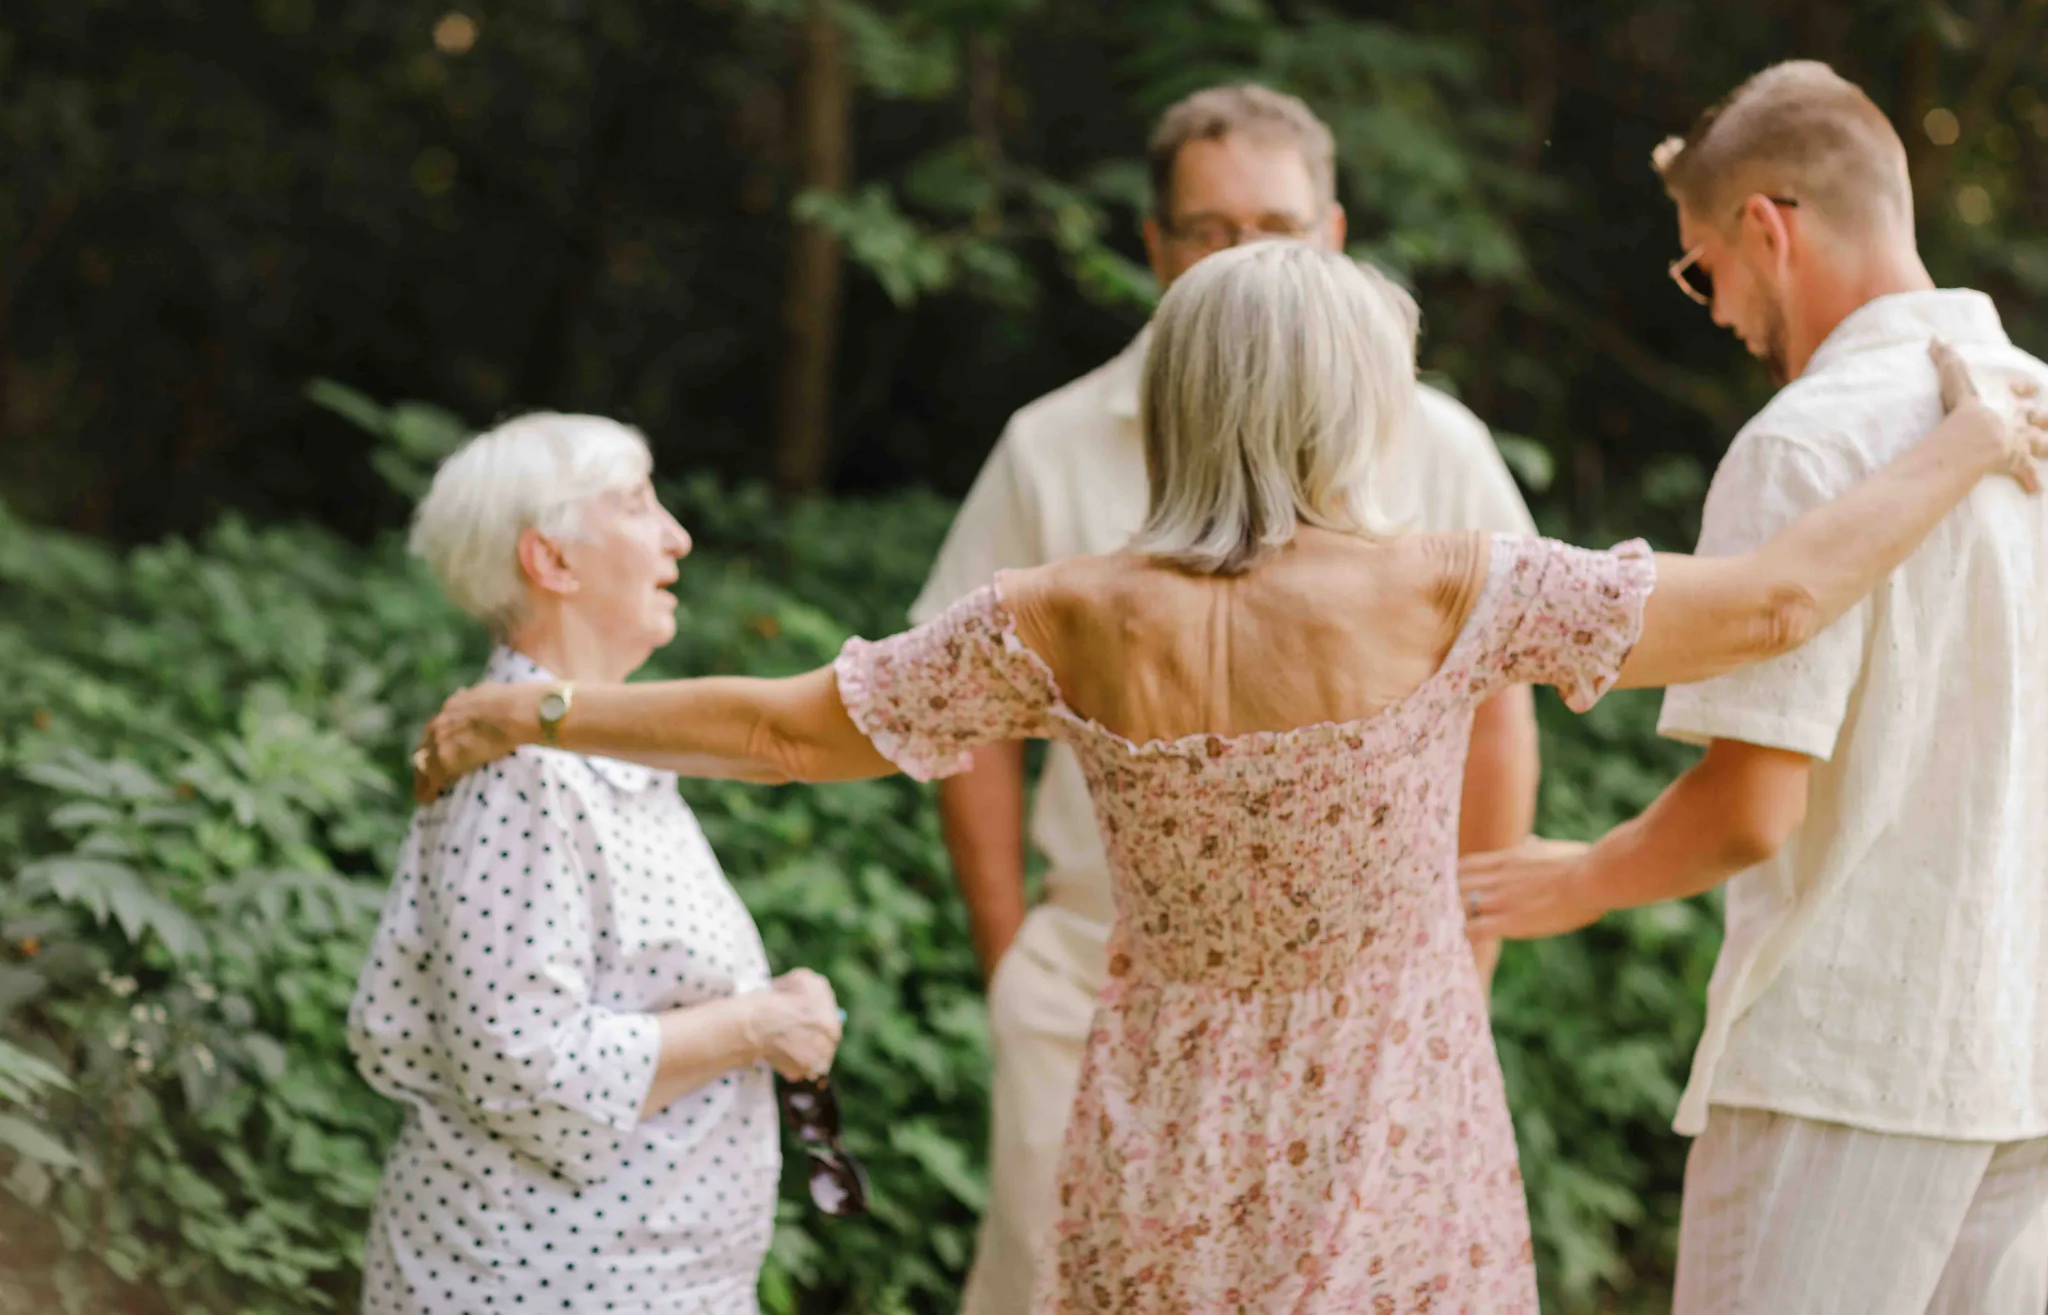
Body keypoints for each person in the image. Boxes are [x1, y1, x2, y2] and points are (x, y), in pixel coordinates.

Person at [408, 242, 2040, 1311]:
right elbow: (1768, 601)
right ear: (1345, 407)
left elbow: (779, 727)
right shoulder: (1451, 587)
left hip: (1162, 1119)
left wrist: (535, 709)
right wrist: (1965, 443)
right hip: (1393, 1111)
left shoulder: (1063, 616)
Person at [912, 84, 1540, 1309]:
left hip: (1363, 1012)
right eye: (1204, 229)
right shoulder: (1049, 444)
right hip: (1095, 977)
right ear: (1153, 246)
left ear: (1334, 235)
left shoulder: (1439, 444)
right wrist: (1008, 956)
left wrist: (1463, 960)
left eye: (1274, 224)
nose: (1240, 255)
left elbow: (1499, 708)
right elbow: (953, 715)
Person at [1459, 61, 2048, 1315]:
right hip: (2020, 1059)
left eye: (1700, 266)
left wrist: (1566, 882)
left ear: (1766, 228)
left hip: (1842, 1067)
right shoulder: (2039, 409)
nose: (1712, 308)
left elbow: (1747, 810)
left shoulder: (1803, 442)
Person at [346, 413, 845, 1315]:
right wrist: (758, 1023)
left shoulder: (586, 754)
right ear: (553, 561)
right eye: (638, 502)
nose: (678, 534)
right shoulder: (520, 775)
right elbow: (518, 1061)